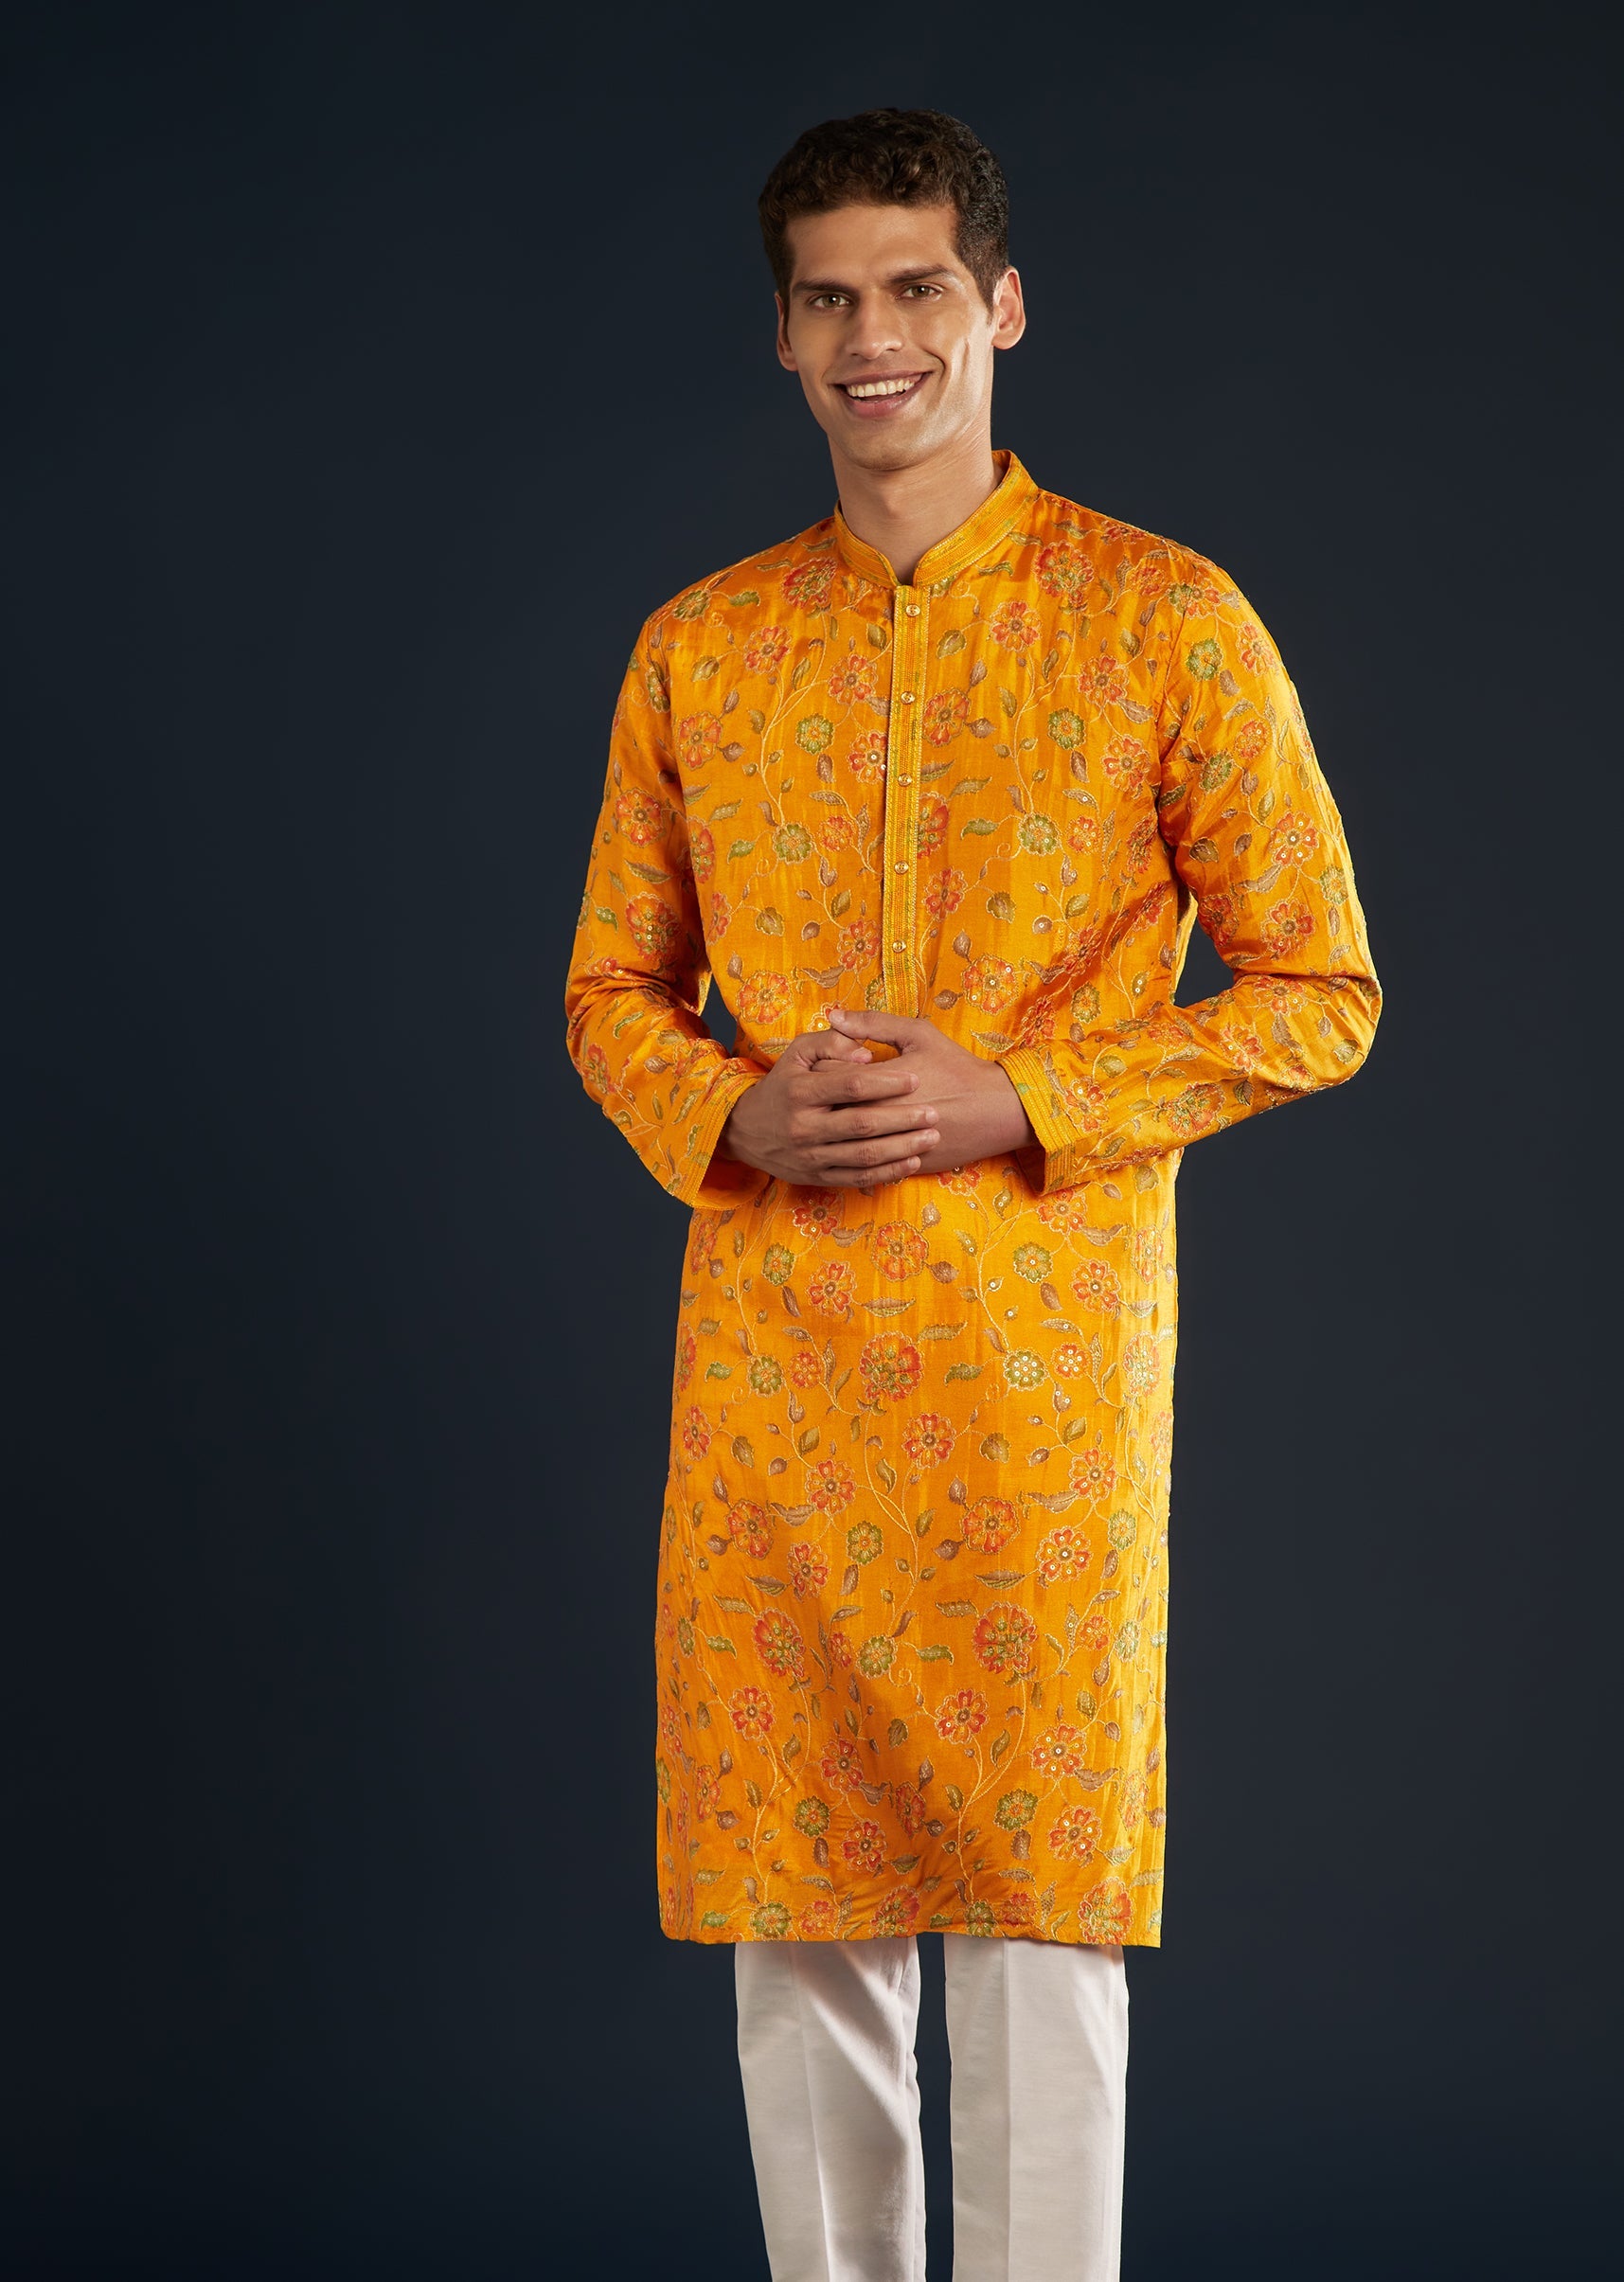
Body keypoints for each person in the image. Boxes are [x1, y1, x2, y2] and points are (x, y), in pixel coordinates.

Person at [563, 106, 1381, 2282]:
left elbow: (1322, 987)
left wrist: (1029, 1092)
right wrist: (725, 1115)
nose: (875, 337)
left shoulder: (1163, 619)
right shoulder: (703, 647)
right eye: (829, 297)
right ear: (782, 336)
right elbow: (610, 992)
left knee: (1036, 1929)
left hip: (1043, 1382)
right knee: (801, 1929)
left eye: (916, 286)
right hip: (780, 1379)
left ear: (1001, 307)